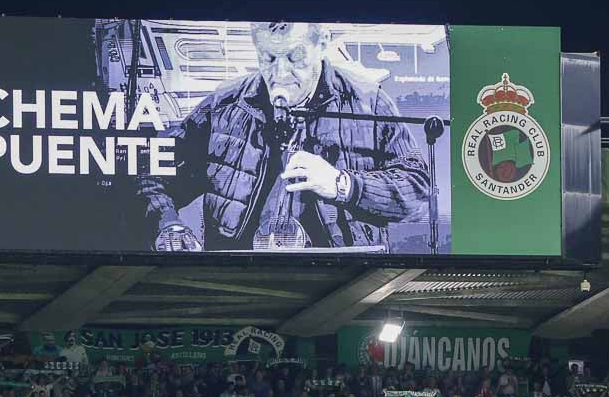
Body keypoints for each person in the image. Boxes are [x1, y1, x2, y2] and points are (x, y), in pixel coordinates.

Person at [141, 20, 428, 252]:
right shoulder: (222, 106)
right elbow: (150, 172)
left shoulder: (370, 101)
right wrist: (168, 225)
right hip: (237, 281)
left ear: (323, 43)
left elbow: (416, 187)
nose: (280, 73)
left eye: (295, 57)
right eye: (267, 58)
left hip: (342, 279)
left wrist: (343, 185)